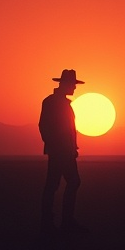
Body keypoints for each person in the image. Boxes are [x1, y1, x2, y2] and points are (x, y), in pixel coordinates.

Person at [39, 69, 88, 237]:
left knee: (60, 184)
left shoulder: (62, 103)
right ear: (65, 84)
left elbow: (69, 130)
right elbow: (44, 126)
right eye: (73, 85)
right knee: (61, 184)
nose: (74, 88)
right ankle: (57, 222)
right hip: (60, 151)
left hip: (65, 151)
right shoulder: (51, 103)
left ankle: (57, 221)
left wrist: (73, 147)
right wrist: (56, 146)